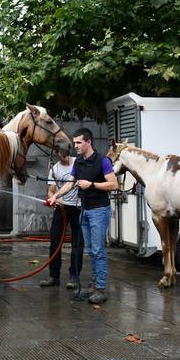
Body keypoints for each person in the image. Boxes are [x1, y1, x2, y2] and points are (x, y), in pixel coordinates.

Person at [46, 128, 117, 304]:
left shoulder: (103, 161)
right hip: (84, 210)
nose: (75, 146)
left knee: (98, 250)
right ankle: (93, 286)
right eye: (75, 142)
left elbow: (113, 185)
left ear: (88, 142)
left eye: (78, 142)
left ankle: (101, 288)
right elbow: (70, 183)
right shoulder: (78, 164)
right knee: (91, 251)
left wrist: (91, 184)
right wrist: (55, 196)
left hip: (99, 210)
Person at [40, 148, 83, 289]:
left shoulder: (78, 163)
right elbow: (51, 191)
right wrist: (54, 199)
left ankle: (74, 277)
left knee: (77, 244)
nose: (64, 157)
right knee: (55, 241)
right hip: (61, 208)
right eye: (60, 154)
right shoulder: (54, 169)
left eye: (66, 154)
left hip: (78, 209)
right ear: (56, 154)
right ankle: (54, 276)